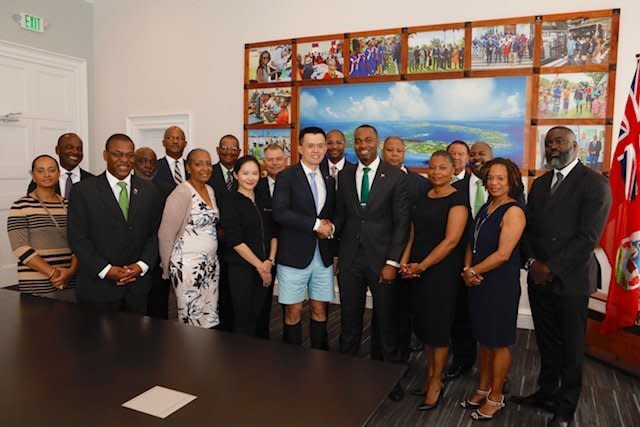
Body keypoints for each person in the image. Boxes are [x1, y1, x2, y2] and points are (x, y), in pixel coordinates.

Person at [512, 126, 611, 427]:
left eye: (559, 141)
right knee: (547, 341)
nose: (553, 146)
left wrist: (550, 268)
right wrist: (531, 262)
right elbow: (527, 229)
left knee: (571, 347)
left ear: (575, 145)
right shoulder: (540, 184)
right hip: (539, 278)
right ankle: (545, 392)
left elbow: (588, 237)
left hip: (571, 280)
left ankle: (566, 408)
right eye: (549, 142)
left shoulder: (594, 184)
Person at [334, 124, 409, 364]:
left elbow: (401, 224)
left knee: (386, 322)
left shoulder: (396, 176)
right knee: (349, 318)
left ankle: (388, 376)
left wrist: (392, 262)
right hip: (349, 260)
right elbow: (342, 217)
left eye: (368, 140)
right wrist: (336, 254)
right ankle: (345, 370)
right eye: (357, 141)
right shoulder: (344, 175)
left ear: (377, 143)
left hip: (382, 260)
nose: (362, 145)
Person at [399, 150, 468, 411]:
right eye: (433, 167)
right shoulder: (422, 197)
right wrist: (406, 263)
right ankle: (429, 376)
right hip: (417, 270)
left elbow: (451, 242)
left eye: (442, 168)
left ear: (452, 171)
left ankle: (437, 383)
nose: (436, 172)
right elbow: (412, 235)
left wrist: (422, 266)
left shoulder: (458, 200)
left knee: (438, 331)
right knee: (426, 328)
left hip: (441, 273)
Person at [460, 158, 526, 420]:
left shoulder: (514, 211)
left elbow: (503, 254)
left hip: (499, 284)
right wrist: (467, 270)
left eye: (501, 178)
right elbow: (471, 243)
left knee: (498, 342)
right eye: (490, 178)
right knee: (483, 339)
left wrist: (472, 271)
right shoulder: (486, 207)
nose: (494, 182)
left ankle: (496, 396)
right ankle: (483, 386)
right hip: (477, 281)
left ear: (511, 181)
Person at [67, 134, 162, 314]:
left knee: (136, 340)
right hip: (98, 287)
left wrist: (141, 265)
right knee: (96, 342)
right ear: (105, 155)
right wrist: (106, 269)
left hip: (137, 287)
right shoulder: (83, 190)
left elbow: (156, 233)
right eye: (117, 154)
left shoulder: (149, 189)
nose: (124, 160)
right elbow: (77, 238)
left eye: (129, 155)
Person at [272, 127, 335, 349]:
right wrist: (316, 225)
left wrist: (330, 227)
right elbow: (280, 212)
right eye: (311, 145)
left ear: (325, 148)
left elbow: (330, 214)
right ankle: (292, 360)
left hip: (322, 257)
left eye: (320, 145)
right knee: (293, 310)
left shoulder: (328, 178)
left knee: (320, 309)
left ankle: (319, 357)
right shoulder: (286, 176)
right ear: (300, 148)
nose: (316, 150)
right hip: (293, 256)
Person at [445, 141, 494, 382]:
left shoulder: (507, 189)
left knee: (491, 319)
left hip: (495, 266)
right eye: (472, 154)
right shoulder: (456, 188)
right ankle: (462, 361)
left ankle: (495, 373)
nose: (476, 158)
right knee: (461, 317)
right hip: (460, 264)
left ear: (491, 157)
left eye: (481, 154)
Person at [158, 149, 220, 328]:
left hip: (210, 264)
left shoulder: (210, 190)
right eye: (199, 164)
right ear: (188, 167)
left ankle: (205, 353)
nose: (205, 168)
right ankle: (188, 354)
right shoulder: (182, 193)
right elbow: (165, 234)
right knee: (190, 316)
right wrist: (166, 267)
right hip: (187, 266)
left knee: (209, 314)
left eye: (208, 163)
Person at [380, 136, 429, 364]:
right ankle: (380, 354)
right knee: (383, 309)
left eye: (399, 150)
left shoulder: (419, 183)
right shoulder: (373, 178)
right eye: (390, 150)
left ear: (404, 153)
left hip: (409, 255)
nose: (394, 154)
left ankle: (401, 356)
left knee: (404, 309)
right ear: (383, 151)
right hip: (380, 253)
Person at [8, 155, 78, 302]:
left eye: (51, 170)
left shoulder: (69, 205)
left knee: (70, 323)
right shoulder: (20, 206)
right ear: (33, 175)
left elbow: (79, 242)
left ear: (59, 173)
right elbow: (19, 247)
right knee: (38, 324)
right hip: (36, 282)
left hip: (68, 280)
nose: (46, 175)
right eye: (40, 171)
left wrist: (70, 271)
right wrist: (53, 273)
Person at [221, 155, 277, 338]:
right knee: (243, 319)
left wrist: (269, 261)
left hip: (266, 267)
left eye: (254, 173)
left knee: (260, 316)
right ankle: (242, 361)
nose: (250, 177)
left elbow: (274, 234)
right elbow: (235, 241)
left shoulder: (264, 200)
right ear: (236, 175)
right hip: (242, 269)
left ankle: (259, 360)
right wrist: (260, 266)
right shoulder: (229, 202)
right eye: (245, 173)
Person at [134, 147, 174, 319]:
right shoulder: (125, 186)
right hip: (131, 258)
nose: (147, 166)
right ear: (133, 163)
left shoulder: (167, 189)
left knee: (159, 308)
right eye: (142, 161)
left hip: (158, 258)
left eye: (151, 161)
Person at [208, 134, 241, 331]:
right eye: (225, 148)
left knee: (234, 288)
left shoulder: (244, 172)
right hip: (214, 241)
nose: (229, 152)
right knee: (216, 287)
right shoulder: (207, 172)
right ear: (218, 150)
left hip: (238, 242)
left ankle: (234, 326)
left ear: (239, 152)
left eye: (233, 148)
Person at [27, 132, 94, 198]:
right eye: (69, 147)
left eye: (79, 149)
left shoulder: (92, 181)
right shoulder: (42, 180)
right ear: (57, 150)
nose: (75, 152)